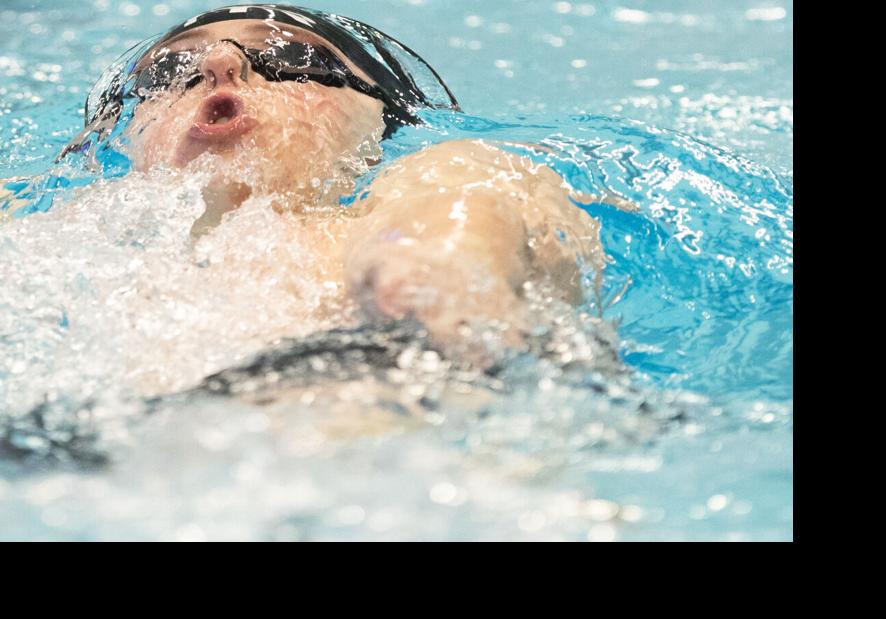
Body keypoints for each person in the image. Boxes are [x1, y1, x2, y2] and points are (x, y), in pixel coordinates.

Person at [11, 4, 605, 365]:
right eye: (169, 72)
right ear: (130, 135)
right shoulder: (36, 235)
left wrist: (429, 276)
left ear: (376, 127)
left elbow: (461, 217)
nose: (220, 62)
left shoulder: (439, 174)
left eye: (292, 57)